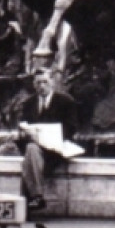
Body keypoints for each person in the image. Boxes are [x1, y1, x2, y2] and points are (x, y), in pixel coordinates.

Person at [15, 69, 81, 214]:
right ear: (34, 84)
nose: (42, 86)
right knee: (31, 150)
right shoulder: (29, 103)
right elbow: (23, 126)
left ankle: (32, 200)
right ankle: (37, 197)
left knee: (29, 159)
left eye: (45, 82)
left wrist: (52, 136)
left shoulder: (65, 101)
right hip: (35, 148)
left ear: (52, 82)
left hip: (55, 150)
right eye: (38, 83)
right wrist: (25, 133)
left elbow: (72, 127)